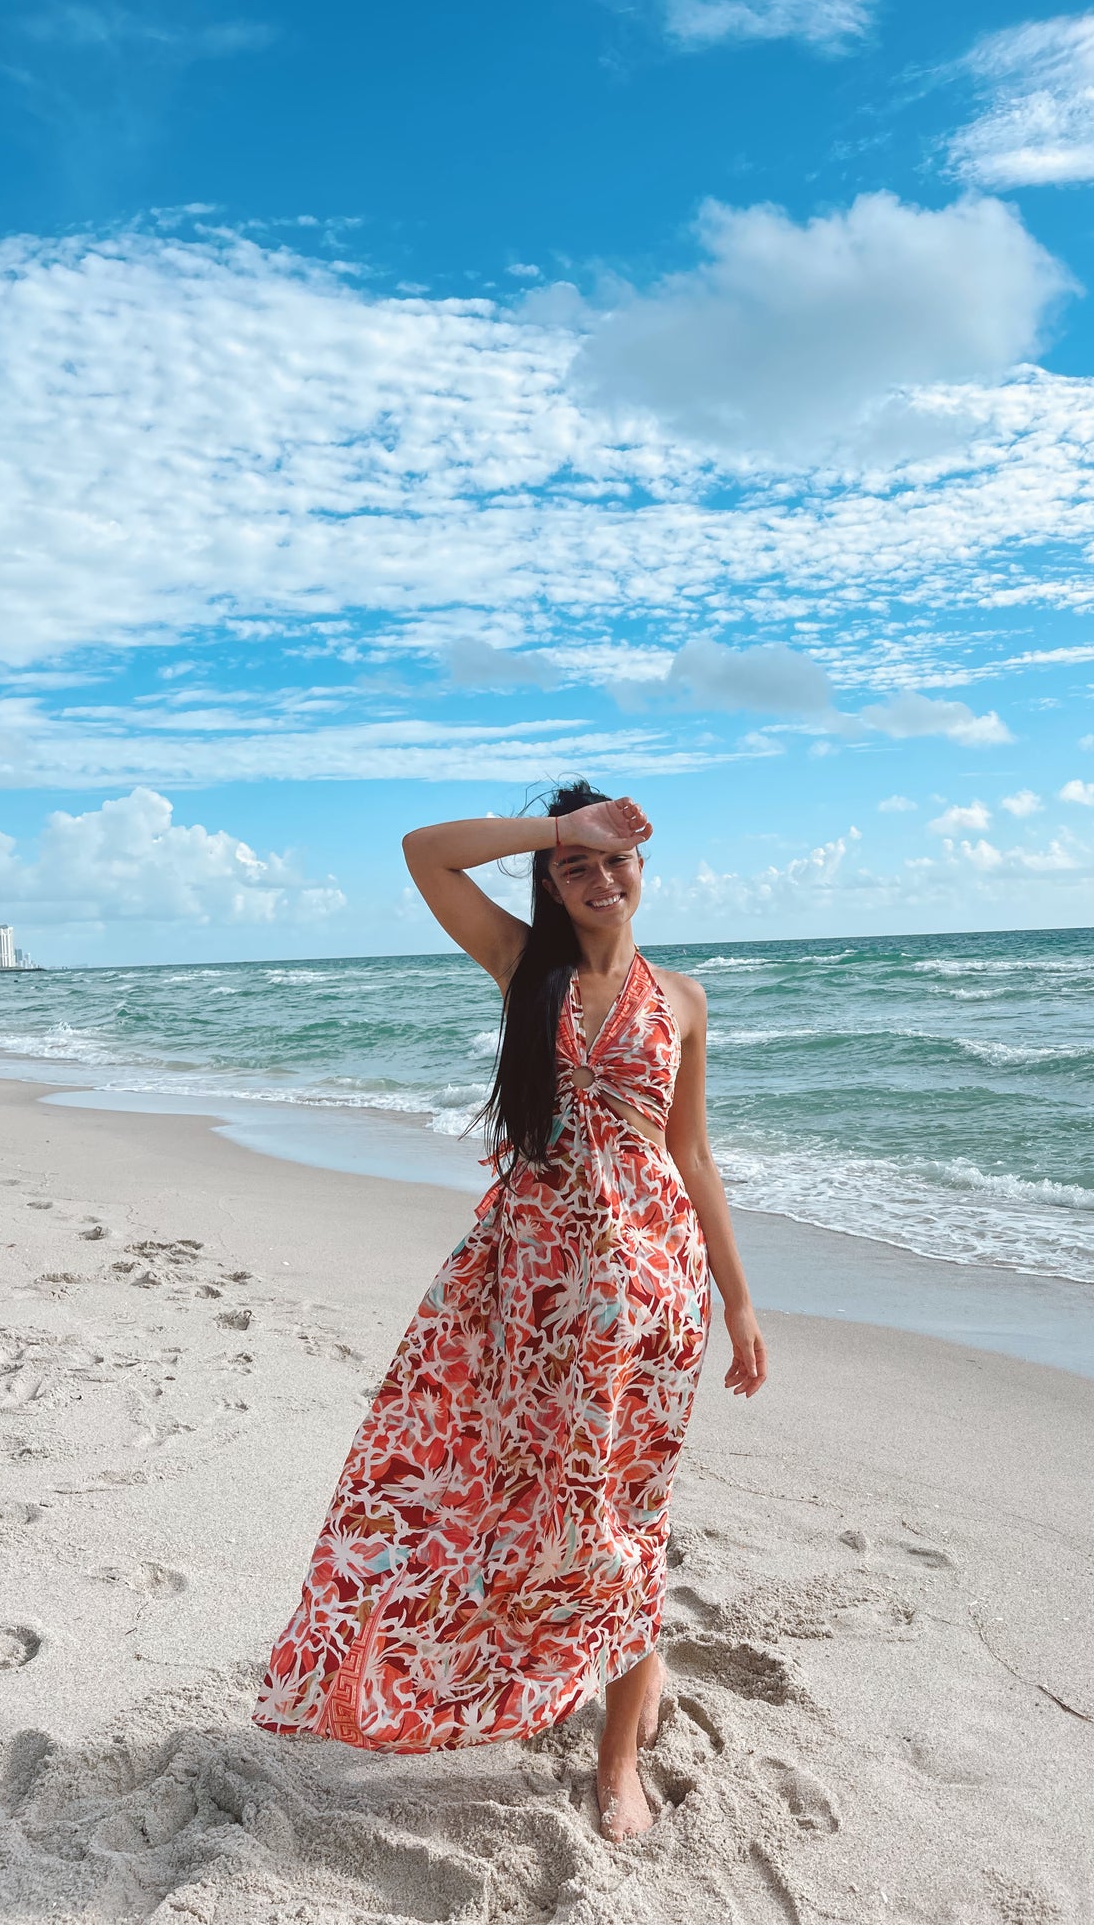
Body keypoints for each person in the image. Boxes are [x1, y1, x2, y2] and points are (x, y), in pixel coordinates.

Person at [252, 781, 767, 1841]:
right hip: (528, 1290)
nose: (599, 879)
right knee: (488, 1489)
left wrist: (740, 1300)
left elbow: (692, 1153)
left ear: (644, 868)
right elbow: (423, 850)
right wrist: (558, 829)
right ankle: (583, 1664)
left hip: (651, 1297)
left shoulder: (681, 999)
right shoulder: (523, 969)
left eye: (614, 859)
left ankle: (617, 1752)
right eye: (576, 866)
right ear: (548, 881)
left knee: (625, 1517)